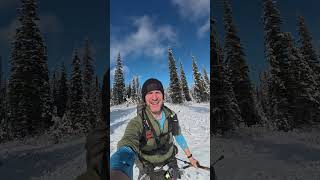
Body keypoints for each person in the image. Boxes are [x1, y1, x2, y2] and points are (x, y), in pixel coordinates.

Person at [110, 78, 199, 180]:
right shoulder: (137, 122)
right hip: (147, 164)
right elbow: (128, 141)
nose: (154, 97)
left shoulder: (171, 116)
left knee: (171, 177)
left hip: (170, 159)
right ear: (144, 98)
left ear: (163, 96)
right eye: (150, 93)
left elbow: (178, 135)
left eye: (157, 92)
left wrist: (190, 157)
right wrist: (119, 169)